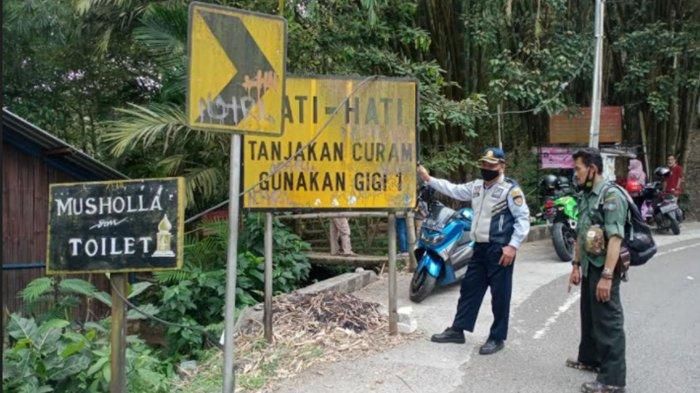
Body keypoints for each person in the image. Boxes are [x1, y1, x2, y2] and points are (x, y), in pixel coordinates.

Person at [417, 147, 530, 355]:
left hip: (500, 250)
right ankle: (457, 330)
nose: (486, 168)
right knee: (469, 290)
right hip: (478, 248)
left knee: (500, 295)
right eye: (484, 164)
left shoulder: (510, 190)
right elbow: (453, 189)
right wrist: (429, 179)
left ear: (502, 166)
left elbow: (523, 219)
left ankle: (497, 337)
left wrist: (512, 246)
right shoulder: (477, 187)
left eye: (491, 165)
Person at [567, 148, 628, 393]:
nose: (575, 174)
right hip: (590, 267)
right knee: (590, 316)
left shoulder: (610, 196)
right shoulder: (586, 195)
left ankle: (613, 380)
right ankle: (590, 359)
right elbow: (582, 234)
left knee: (608, 322)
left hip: (605, 269)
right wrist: (575, 265)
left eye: (578, 169)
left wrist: (607, 275)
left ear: (592, 168)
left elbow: (615, 239)